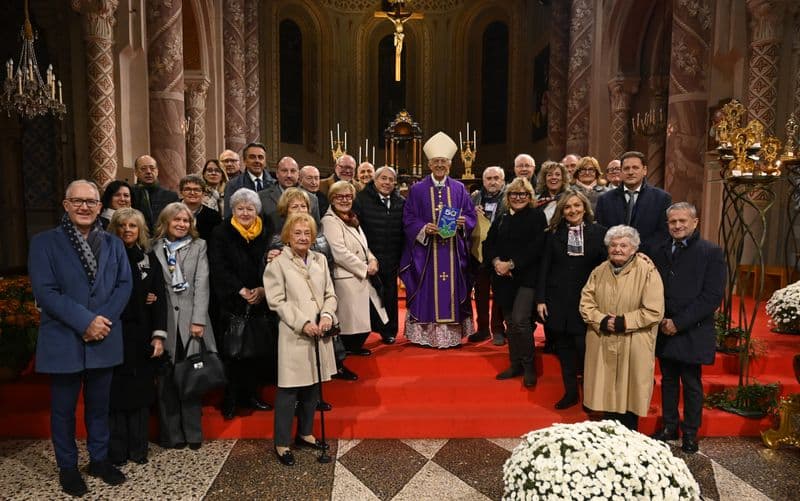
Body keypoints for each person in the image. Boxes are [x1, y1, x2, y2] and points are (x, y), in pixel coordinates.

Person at [29, 180, 132, 496]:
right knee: (63, 410)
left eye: (91, 202)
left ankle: (99, 460)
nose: (85, 207)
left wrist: (102, 323)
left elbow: (124, 285)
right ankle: (68, 467)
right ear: (66, 205)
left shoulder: (114, 244)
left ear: (101, 207)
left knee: (99, 407)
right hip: (64, 338)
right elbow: (46, 292)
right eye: (77, 201)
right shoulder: (44, 242)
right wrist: (86, 322)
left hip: (104, 337)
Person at [264, 212, 337, 467]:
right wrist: (303, 323)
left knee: (313, 387)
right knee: (288, 390)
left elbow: (330, 293)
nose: (303, 237)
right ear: (287, 236)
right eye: (297, 233)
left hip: (320, 331)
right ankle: (282, 442)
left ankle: (305, 433)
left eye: (307, 233)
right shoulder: (277, 263)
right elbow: (276, 301)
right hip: (294, 334)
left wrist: (327, 315)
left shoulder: (320, 260)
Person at [650, 202, 725, 454]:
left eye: (683, 221)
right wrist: (661, 319)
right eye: (673, 222)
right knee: (668, 380)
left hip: (693, 329)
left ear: (695, 222)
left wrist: (678, 323)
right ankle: (670, 426)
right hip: (664, 326)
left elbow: (712, 296)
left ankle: (690, 433)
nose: (678, 225)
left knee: (691, 383)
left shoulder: (711, 252)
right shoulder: (658, 249)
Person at [579, 225, 664, 431]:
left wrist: (622, 322)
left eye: (624, 245)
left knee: (629, 397)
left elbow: (654, 310)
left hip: (634, 341)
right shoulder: (599, 271)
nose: (618, 249)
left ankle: (629, 444)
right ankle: (609, 443)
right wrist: (601, 319)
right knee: (606, 394)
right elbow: (585, 303)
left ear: (634, 249)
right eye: (614, 245)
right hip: (603, 340)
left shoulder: (647, 271)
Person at [399, 131, 477, 348]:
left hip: (453, 251)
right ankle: (426, 335)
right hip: (427, 254)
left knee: (452, 290)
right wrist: (424, 228)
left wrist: (464, 222)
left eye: (444, 161)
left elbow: (471, 215)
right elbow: (409, 218)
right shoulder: (417, 189)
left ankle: (451, 335)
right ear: (429, 164)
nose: (440, 165)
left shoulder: (460, 188)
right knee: (427, 290)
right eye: (436, 161)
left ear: (450, 164)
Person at [152, 202, 218, 450]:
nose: (181, 224)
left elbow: (202, 283)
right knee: (167, 380)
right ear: (166, 222)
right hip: (165, 321)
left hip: (192, 321)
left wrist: (198, 319)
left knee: (191, 378)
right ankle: (172, 435)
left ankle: (193, 433)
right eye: (176, 220)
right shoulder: (155, 247)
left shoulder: (199, 246)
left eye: (186, 220)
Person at [106, 208, 167, 466]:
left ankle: (139, 449)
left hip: (142, 335)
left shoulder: (149, 259)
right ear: (115, 229)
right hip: (114, 334)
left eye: (133, 226)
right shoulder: (106, 258)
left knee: (141, 394)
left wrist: (158, 337)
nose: (127, 230)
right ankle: (117, 451)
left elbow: (159, 299)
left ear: (140, 230)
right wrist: (141, 299)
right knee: (116, 396)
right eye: (122, 226)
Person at [536, 190, 607, 409]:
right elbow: (544, 268)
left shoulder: (599, 233)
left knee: (585, 349)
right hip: (558, 300)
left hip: (588, 301)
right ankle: (570, 393)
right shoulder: (553, 234)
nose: (572, 210)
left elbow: (605, 270)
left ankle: (590, 396)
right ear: (561, 211)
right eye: (567, 207)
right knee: (564, 349)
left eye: (577, 206)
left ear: (585, 208)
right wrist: (541, 299)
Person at [209, 188, 274, 420]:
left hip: (260, 299)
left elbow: (273, 264)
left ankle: (253, 395)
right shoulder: (221, 232)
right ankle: (231, 399)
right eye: (240, 208)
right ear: (232, 210)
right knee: (233, 352)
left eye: (250, 208)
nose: (245, 212)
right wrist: (241, 290)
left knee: (256, 352)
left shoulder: (266, 232)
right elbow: (219, 266)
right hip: (231, 300)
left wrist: (262, 290)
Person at [483, 177, 547, 387]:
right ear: (508, 197)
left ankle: (529, 368)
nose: (518, 197)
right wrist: (495, 262)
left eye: (523, 194)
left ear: (530, 197)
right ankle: (515, 364)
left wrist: (511, 264)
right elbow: (489, 244)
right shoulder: (501, 217)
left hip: (526, 278)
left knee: (520, 320)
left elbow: (537, 247)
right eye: (514, 194)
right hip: (503, 279)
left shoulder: (537, 216)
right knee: (510, 323)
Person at [322, 180, 385, 357]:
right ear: (332, 199)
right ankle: (348, 347)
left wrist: (373, 260)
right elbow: (339, 252)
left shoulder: (351, 218)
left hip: (359, 274)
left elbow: (363, 246)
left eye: (348, 196)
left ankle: (354, 346)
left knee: (360, 319)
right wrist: (365, 268)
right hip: (346, 276)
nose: (344, 200)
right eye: (339, 197)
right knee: (350, 320)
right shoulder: (330, 221)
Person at [353, 165, 406, 344]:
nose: (387, 183)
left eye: (391, 179)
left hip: (392, 256)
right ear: (375, 180)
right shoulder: (360, 199)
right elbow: (356, 229)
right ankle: (366, 330)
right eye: (383, 178)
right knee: (369, 296)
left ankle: (389, 330)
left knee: (390, 295)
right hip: (369, 257)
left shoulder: (400, 201)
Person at [595, 151, 672, 257]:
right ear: (621, 172)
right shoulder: (605, 199)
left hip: (648, 260)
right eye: (626, 168)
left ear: (644, 170)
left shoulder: (661, 198)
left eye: (635, 168)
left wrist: (636, 253)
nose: (630, 172)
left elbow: (663, 233)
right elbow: (600, 232)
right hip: (613, 260)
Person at [468, 166, 506, 345]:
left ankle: (498, 329)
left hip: (501, 252)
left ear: (503, 180)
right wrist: (473, 216)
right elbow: (466, 220)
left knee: (499, 294)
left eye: (496, 178)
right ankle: (483, 328)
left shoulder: (509, 197)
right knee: (481, 293)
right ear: (483, 181)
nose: (492, 182)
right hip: (480, 253)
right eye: (489, 178)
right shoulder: (474, 197)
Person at [259, 156, 320, 230]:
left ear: (298, 174)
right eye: (284, 171)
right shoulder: (261, 197)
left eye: (293, 171)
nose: (289, 175)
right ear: (277, 174)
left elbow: (316, 230)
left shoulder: (312, 199)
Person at [223, 142, 276, 217]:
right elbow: (228, 216)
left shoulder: (275, 184)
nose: (257, 161)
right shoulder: (233, 185)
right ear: (245, 161)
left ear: (265, 162)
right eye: (252, 157)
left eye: (260, 157)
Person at [131, 154, 179, 232]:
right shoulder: (129, 194)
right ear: (136, 172)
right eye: (143, 169)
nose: (149, 172)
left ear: (157, 171)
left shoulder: (170, 197)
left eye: (152, 168)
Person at [179, 174, 222, 242]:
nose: (192, 193)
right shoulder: (170, 212)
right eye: (188, 189)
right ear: (181, 192)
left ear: (203, 193)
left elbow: (216, 242)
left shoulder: (214, 216)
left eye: (197, 190)